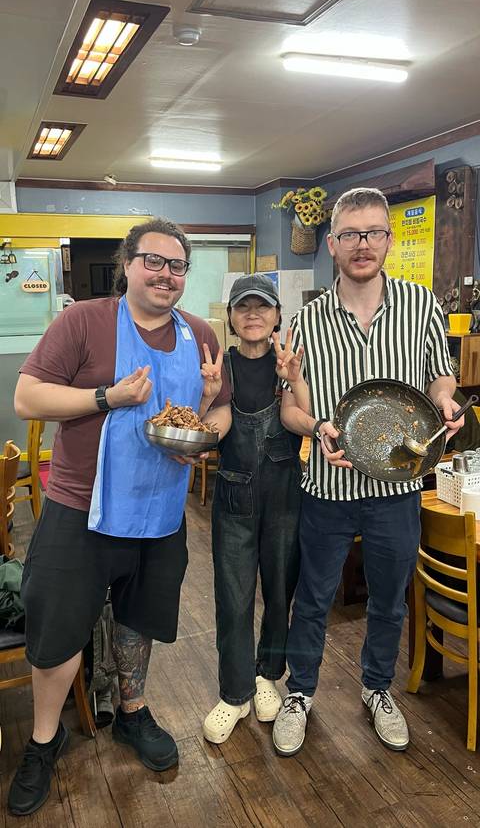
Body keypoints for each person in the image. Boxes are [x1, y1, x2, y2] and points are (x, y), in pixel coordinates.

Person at [8, 217, 231, 817]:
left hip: (160, 509)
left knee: (138, 619)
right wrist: (108, 396)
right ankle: (44, 741)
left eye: (177, 265)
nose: (166, 274)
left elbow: (221, 412)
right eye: (153, 261)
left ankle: (132, 712)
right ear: (127, 265)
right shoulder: (85, 321)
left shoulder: (199, 333)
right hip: (80, 508)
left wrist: (204, 426)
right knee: (58, 631)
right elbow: (27, 397)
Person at [272, 187, 464, 757]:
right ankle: (299, 693)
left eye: (374, 232)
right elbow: (289, 409)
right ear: (331, 244)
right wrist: (316, 427)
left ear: (389, 239)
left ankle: (377, 688)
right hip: (328, 488)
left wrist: (445, 401)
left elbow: (441, 376)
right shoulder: (306, 321)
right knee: (313, 598)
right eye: (351, 234)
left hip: (398, 487)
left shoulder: (421, 305)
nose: (363, 244)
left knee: (389, 601)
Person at [202, 274, 305, 744]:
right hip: (233, 499)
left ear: (277, 315)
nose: (252, 315)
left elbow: (301, 419)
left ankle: (267, 676)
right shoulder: (219, 367)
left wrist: (295, 380)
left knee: (281, 591)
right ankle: (234, 691)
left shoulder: (290, 362)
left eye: (262, 306)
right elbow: (213, 423)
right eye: (242, 307)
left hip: (284, 497)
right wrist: (206, 396)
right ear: (230, 317)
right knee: (233, 596)